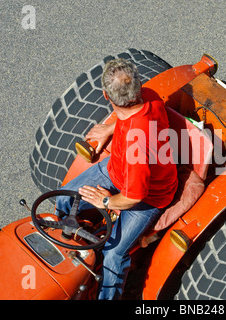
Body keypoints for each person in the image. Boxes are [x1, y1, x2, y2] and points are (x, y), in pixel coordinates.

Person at [55, 58, 178, 300]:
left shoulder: (136, 145)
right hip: (115, 169)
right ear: (138, 87)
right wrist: (109, 128)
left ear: (105, 96)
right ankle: (69, 248)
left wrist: (106, 202)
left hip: (147, 197)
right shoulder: (149, 95)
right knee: (63, 199)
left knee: (113, 254)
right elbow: (129, 116)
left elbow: (134, 196)